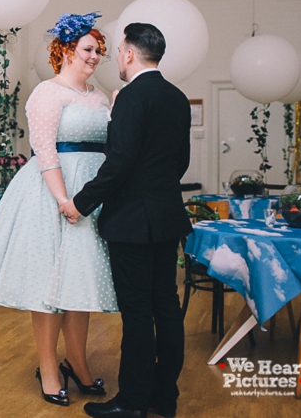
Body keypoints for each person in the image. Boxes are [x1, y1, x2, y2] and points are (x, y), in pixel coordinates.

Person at [0, 12, 118, 407]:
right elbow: (45, 150)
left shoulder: (99, 96)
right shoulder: (47, 93)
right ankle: (49, 368)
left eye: (99, 50)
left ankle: (78, 363)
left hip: (91, 195)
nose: (95, 56)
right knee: (48, 286)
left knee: (78, 282)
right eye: (88, 49)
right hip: (52, 194)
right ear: (65, 50)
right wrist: (64, 200)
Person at [60, 23, 192, 418]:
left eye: (118, 52)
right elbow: (179, 161)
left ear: (130, 54)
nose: (116, 58)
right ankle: (163, 397)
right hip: (167, 216)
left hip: (133, 223)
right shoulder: (177, 97)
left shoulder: (132, 97)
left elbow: (118, 164)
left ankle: (132, 403)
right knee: (166, 308)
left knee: (137, 315)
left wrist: (80, 204)